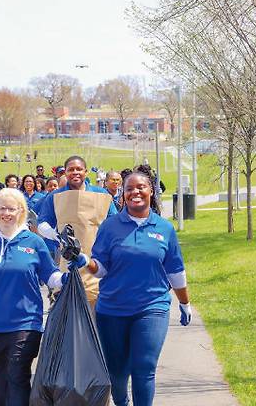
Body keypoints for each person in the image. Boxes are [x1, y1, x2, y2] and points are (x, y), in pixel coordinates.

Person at [70, 171, 192, 406]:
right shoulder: (110, 227)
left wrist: (185, 303)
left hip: (151, 308)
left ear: (151, 191)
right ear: (123, 195)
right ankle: (122, 402)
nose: (135, 192)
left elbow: (175, 270)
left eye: (141, 187)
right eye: (129, 189)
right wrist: (86, 261)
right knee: (116, 372)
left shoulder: (164, 228)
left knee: (144, 367)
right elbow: (101, 268)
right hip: (112, 309)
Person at [0, 188, 66, 406]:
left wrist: (67, 278)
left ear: (21, 211)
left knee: (17, 375)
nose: (6, 213)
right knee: (0, 378)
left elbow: (50, 274)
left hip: (26, 323)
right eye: (1, 208)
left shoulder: (33, 242)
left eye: (11, 208)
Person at [37, 155, 118, 243]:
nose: (75, 172)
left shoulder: (101, 194)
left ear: (86, 172)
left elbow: (114, 221)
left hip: (98, 252)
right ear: (65, 173)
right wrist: (55, 235)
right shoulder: (55, 196)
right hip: (66, 253)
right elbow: (42, 223)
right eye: (71, 170)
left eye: (79, 169)